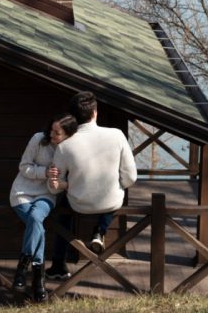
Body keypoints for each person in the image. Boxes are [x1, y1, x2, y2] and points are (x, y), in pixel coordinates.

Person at [46, 91, 137, 279]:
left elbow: (53, 187)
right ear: (95, 112)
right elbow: (131, 178)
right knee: (115, 192)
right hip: (109, 202)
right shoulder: (116, 135)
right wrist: (117, 184)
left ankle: (58, 264)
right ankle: (100, 231)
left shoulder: (65, 145)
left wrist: (67, 184)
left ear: (73, 116)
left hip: (78, 203)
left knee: (63, 213)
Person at [9, 113, 78, 301]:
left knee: (35, 219)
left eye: (57, 133)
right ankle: (38, 280)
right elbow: (24, 167)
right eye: (51, 130)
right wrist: (45, 172)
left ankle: (22, 269)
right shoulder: (38, 139)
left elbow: (63, 183)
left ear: (68, 135)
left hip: (47, 195)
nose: (52, 135)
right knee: (37, 224)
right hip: (22, 192)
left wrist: (55, 181)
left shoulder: (69, 151)